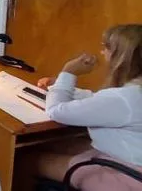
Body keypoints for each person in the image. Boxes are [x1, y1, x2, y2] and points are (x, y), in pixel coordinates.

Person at [32, 24, 142, 190]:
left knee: (29, 159)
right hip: (127, 158)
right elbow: (98, 100)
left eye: (106, 47)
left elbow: (56, 111)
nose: (102, 52)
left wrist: (68, 72)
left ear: (121, 56)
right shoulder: (134, 91)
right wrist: (62, 84)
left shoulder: (122, 99)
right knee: (54, 144)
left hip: (127, 174)